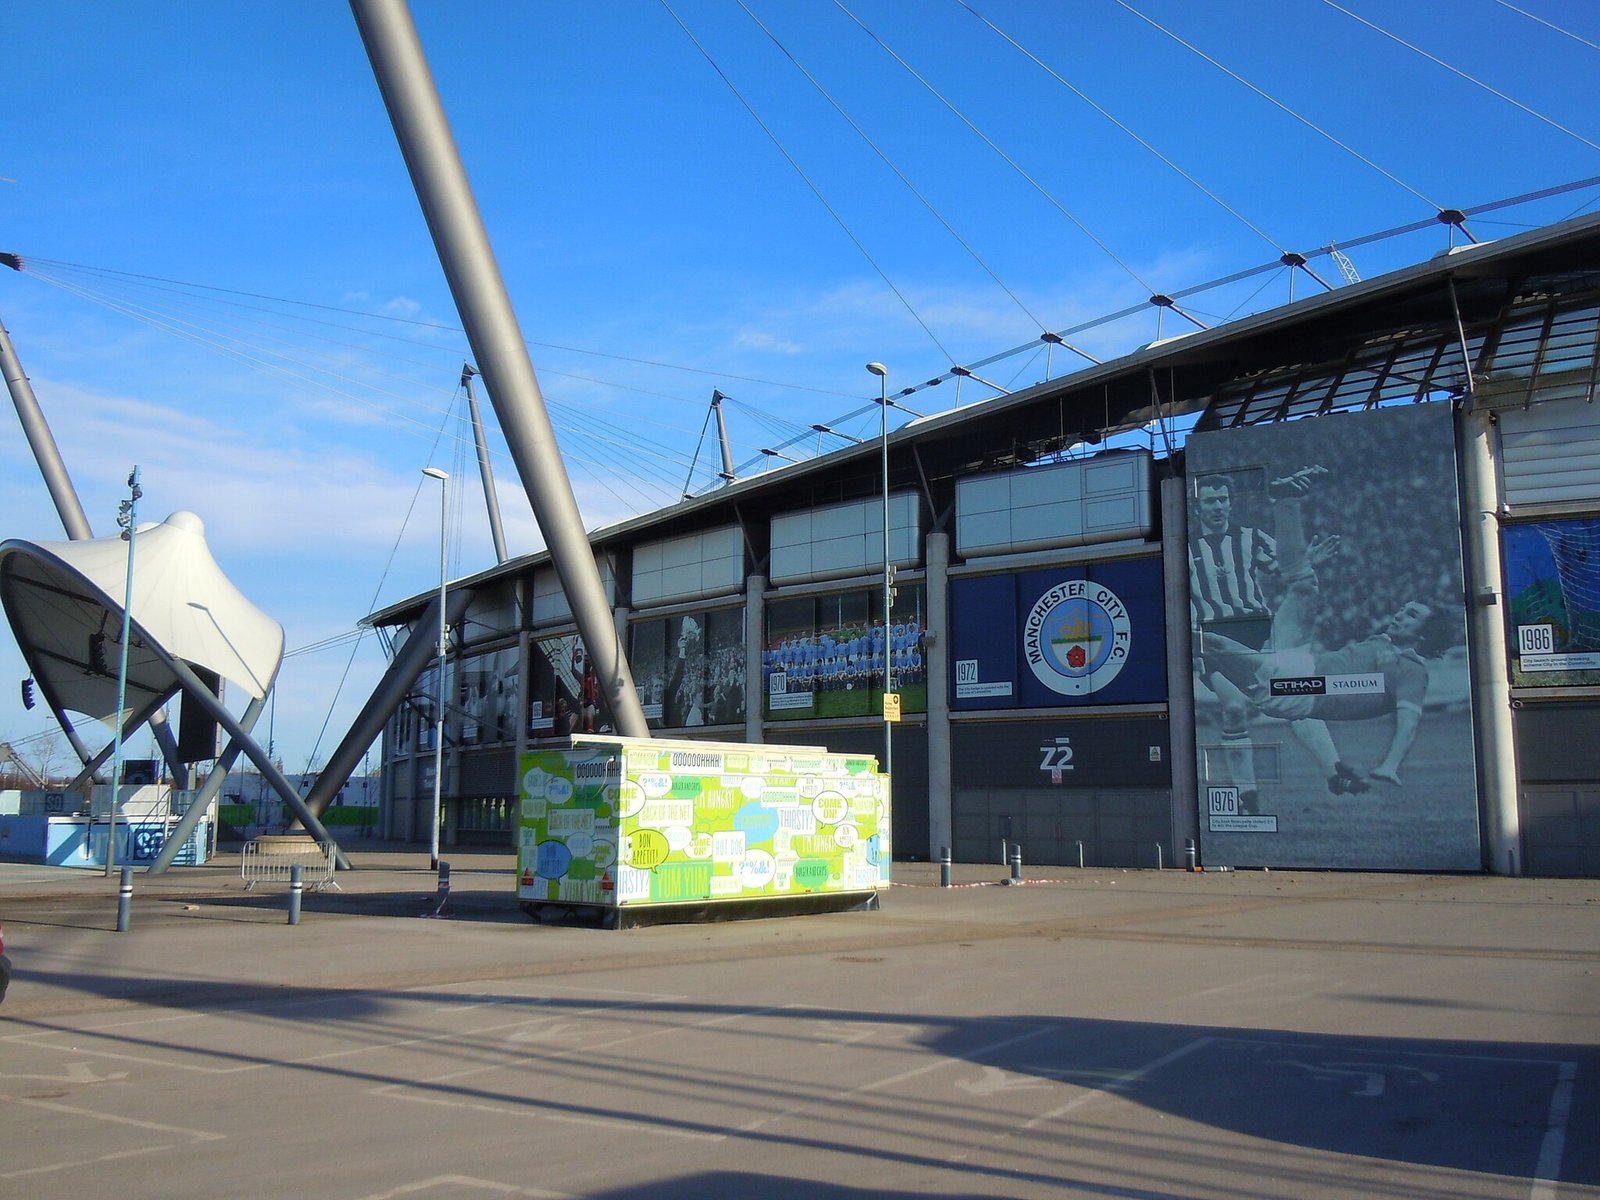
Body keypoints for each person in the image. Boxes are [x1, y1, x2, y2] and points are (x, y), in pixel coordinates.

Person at [1199, 466, 1435, 796]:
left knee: (1304, 589)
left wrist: (1306, 561)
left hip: (1260, 629)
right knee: (1236, 708)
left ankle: (1335, 772)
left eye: (1222, 499)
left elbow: (1285, 571)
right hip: (1208, 631)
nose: (1218, 506)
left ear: (1229, 503)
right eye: (1209, 501)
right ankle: (1246, 793)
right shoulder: (1186, 549)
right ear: (1198, 506)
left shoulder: (1249, 538)